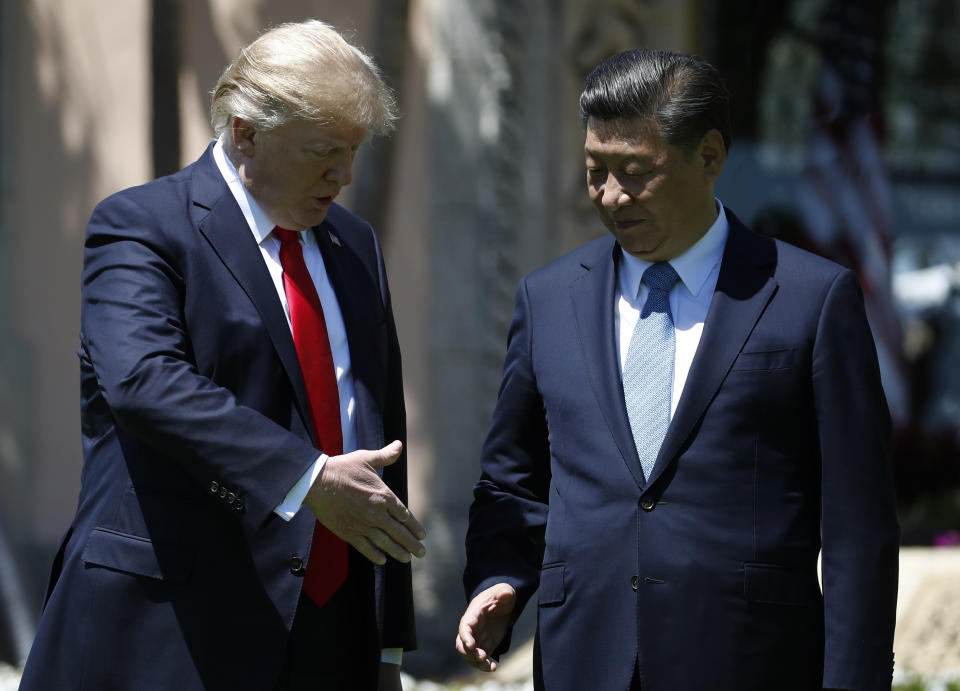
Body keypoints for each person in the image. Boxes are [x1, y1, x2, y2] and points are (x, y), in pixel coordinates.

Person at [457, 49, 899, 691]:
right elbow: (512, 480)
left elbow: (859, 523)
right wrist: (500, 576)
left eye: (635, 171)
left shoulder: (811, 297)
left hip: (752, 662)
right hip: (585, 661)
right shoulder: (546, 298)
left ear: (710, 156)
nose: (611, 196)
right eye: (594, 171)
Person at [19, 19, 424, 691]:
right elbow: (145, 383)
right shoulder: (143, 226)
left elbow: (379, 441)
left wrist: (389, 647)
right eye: (324, 150)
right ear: (246, 133)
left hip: (331, 639)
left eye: (354, 151)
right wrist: (309, 478)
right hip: (171, 632)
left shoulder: (356, 246)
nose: (345, 175)